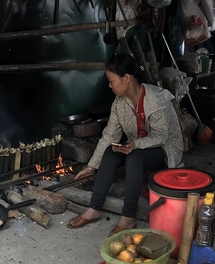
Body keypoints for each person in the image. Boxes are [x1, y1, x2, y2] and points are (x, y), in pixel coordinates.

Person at [67, 53, 184, 237]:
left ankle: (128, 216)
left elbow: (162, 136)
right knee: (111, 151)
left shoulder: (155, 99)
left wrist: (135, 144)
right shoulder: (119, 103)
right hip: (137, 147)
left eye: (111, 81)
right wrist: (91, 166)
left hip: (164, 150)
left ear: (126, 78)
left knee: (134, 157)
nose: (109, 85)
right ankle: (94, 208)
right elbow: (108, 135)